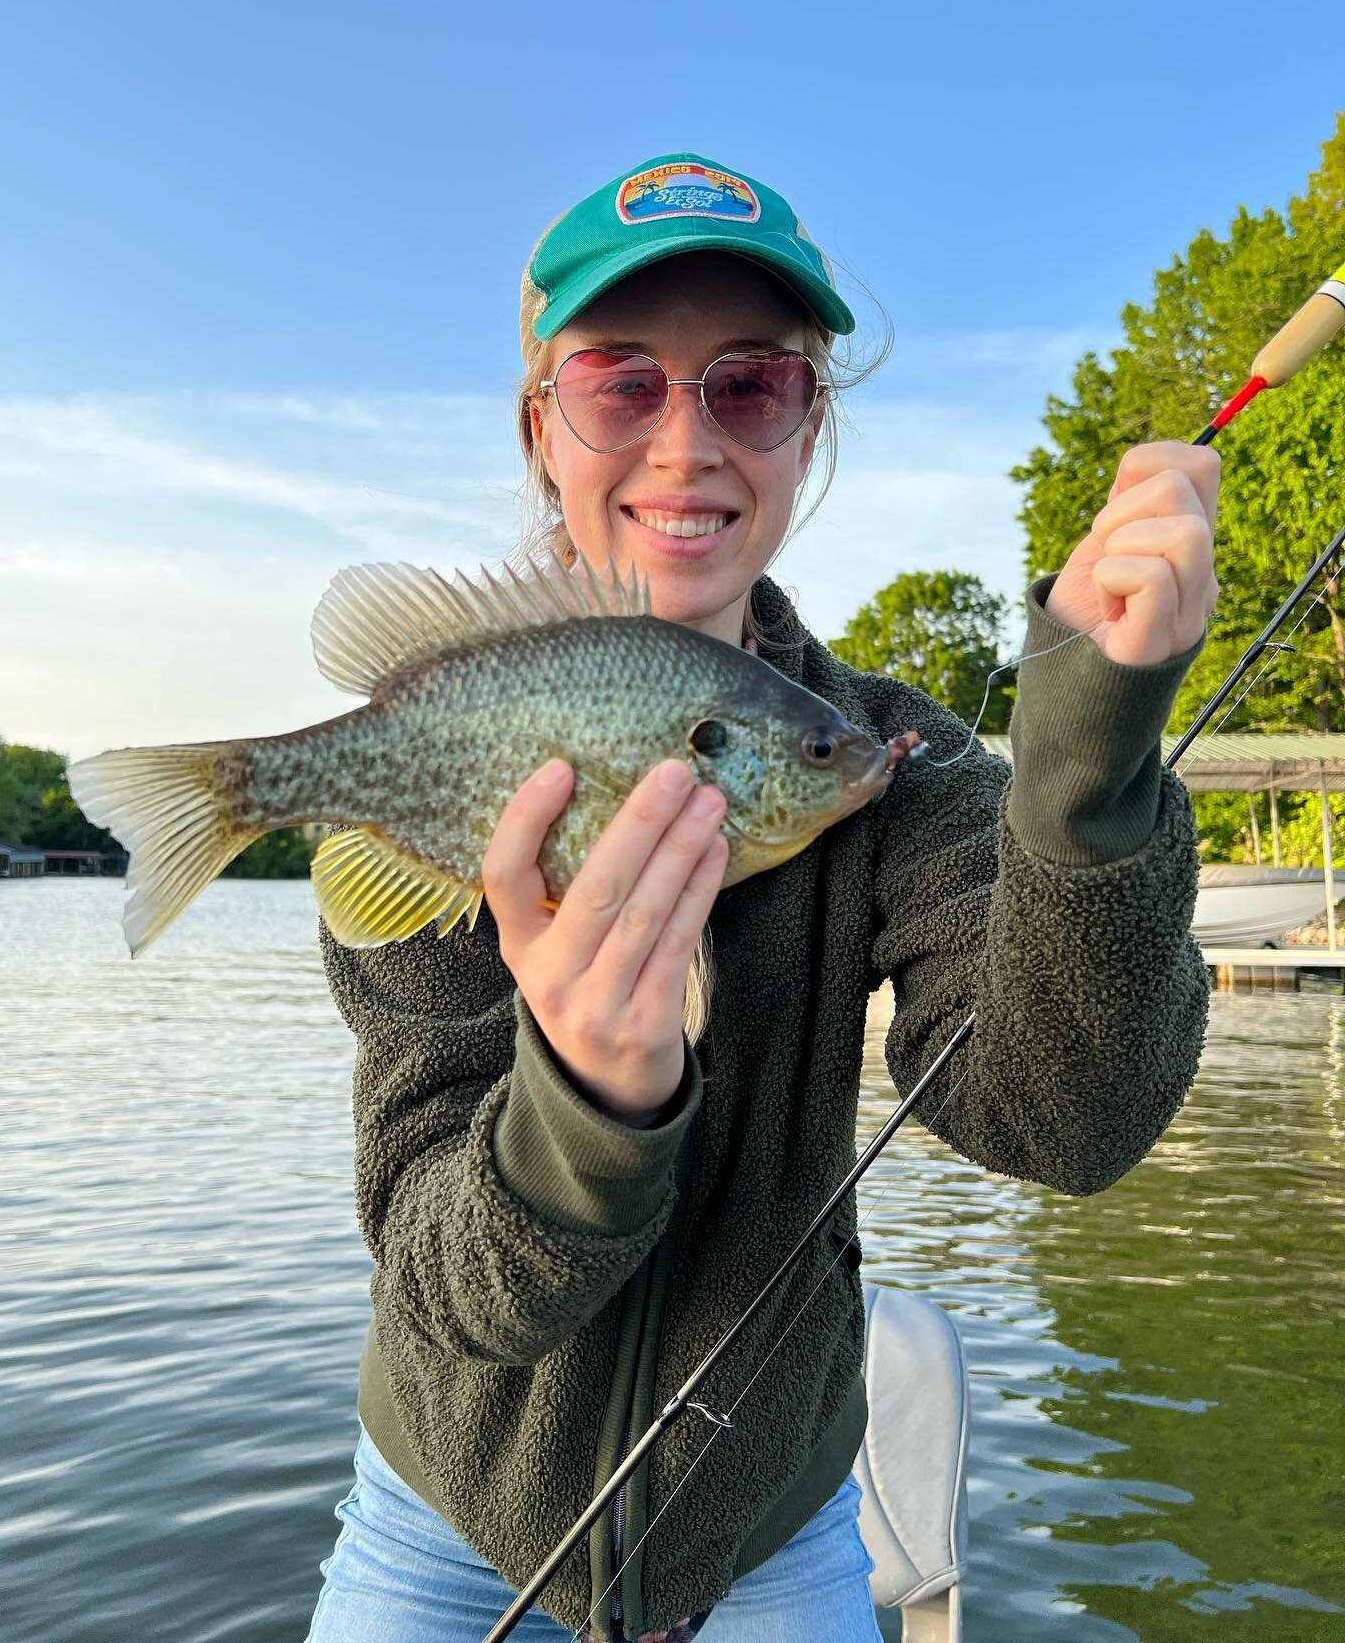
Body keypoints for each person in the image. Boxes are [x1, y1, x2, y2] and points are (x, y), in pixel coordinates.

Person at [304, 153, 1217, 1642]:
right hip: (441, 1523)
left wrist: (1092, 767)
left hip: (768, 1535)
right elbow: (452, 1290)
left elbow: (1067, 1123)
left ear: (810, 427)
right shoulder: (446, 766)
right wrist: (588, 1102)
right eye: (620, 382)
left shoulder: (891, 765)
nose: (684, 445)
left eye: (750, 386)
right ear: (545, 427)